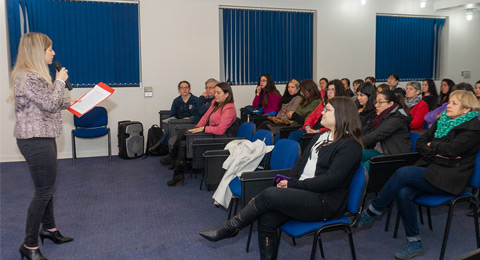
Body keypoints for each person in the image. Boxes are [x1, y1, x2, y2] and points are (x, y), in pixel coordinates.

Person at [199, 96, 363, 260]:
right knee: (267, 218)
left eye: (328, 109)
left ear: (342, 114)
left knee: (270, 194)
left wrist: (293, 184)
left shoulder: (350, 145)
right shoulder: (320, 137)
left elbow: (330, 180)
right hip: (305, 194)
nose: (323, 112)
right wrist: (287, 182)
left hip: (325, 202)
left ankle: (231, 227)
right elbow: (298, 166)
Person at [357, 90, 480, 259]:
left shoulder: (472, 129)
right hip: (434, 169)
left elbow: (452, 150)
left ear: (466, 110)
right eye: (449, 102)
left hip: (450, 178)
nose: (447, 106)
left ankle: (373, 211)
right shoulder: (442, 121)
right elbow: (422, 143)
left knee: (404, 172)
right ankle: (414, 242)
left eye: (454, 103)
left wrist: (434, 147)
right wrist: (436, 152)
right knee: (403, 192)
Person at [8, 32, 77, 260]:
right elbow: (48, 104)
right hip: (35, 139)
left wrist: (71, 102)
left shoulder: (35, 76)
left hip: (43, 136)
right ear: (38, 52)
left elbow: (47, 103)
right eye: (50, 49)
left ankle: (49, 229)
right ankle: (28, 246)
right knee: (43, 191)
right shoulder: (27, 77)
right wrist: (59, 81)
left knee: (48, 187)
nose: (53, 53)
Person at [160, 82, 237, 186]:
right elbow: (205, 117)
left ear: (227, 94)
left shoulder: (229, 108)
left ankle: (172, 158)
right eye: (215, 92)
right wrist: (196, 129)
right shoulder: (215, 103)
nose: (215, 95)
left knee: (183, 133)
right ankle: (178, 176)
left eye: (218, 93)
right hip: (210, 133)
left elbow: (220, 130)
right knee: (183, 142)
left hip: (219, 138)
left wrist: (203, 128)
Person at [361, 90, 412, 170]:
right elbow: (371, 133)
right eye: (376, 102)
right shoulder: (382, 116)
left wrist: (356, 142)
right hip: (381, 150)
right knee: (355, 155)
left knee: (366, 167)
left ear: (390, 104)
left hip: (394, 154)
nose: (376, 105)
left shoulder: (396, 119)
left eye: (380, 102)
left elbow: (377, 134)